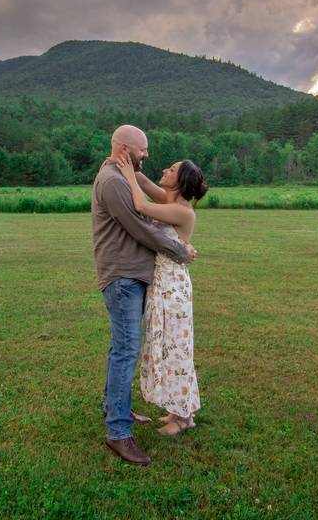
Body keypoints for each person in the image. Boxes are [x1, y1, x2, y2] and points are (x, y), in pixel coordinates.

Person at [92, 125, 196, 467]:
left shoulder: (123, 178)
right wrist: (179, 250)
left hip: (131, 277)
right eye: (142, 150)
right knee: (125, 351)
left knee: (120, 348)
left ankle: (116, 408)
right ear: (125, 149)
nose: (147, 156)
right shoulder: (113, 182)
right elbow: (139, 228)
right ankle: (118, 432)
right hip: (122, 278)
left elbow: (148, 203)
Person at [115, 155, 207, 436]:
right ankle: (176, 409)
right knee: (166, 345)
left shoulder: (182, 211)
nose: (166, 169)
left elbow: (141, 204)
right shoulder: (168, 199)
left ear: (180, 182)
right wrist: (126, 161)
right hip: (161, 284)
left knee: (177, 348)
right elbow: (141, 180)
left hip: (174, 287)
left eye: (173, 169)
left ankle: (183, 417)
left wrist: (129, 176)